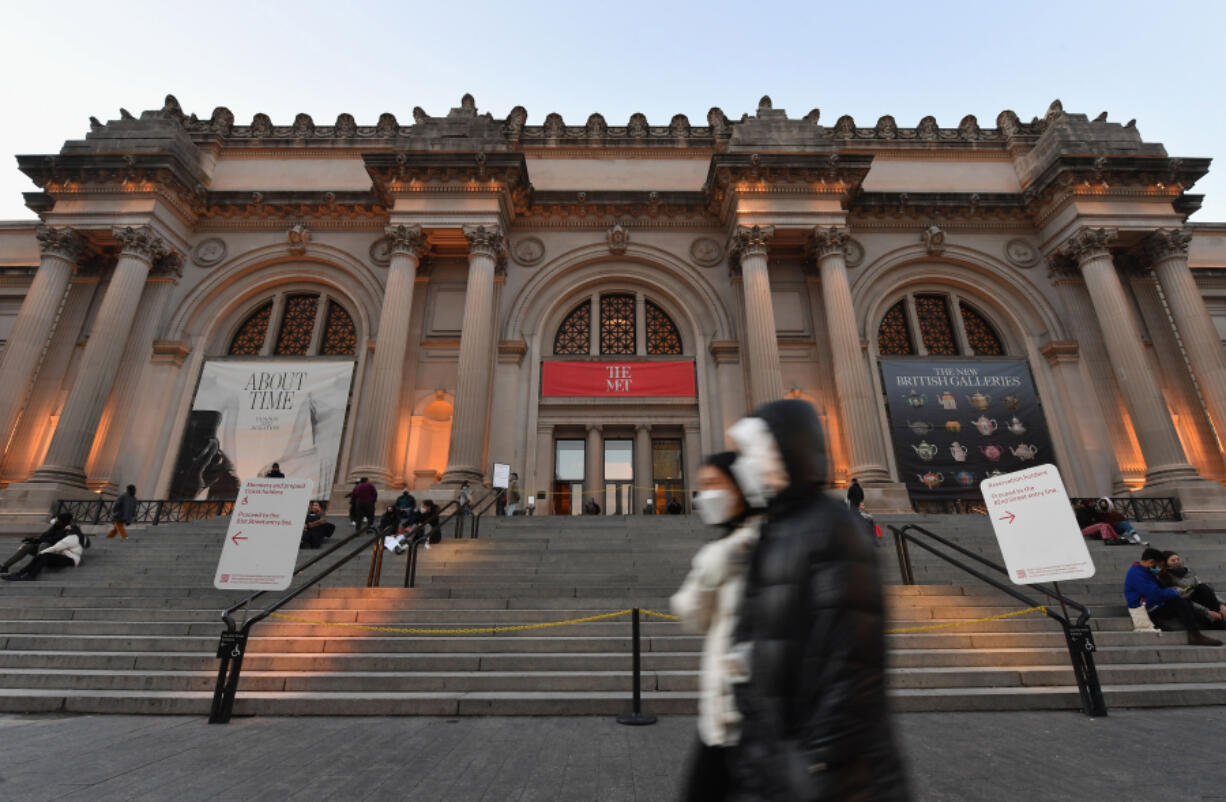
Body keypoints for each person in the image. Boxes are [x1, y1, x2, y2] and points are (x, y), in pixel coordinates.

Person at [725, 399, 908, 801]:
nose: (746, 466)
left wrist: (816, 760)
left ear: (788, 452)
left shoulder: (835, 528)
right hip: (781, 755)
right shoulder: (770, 532)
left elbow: (854, 664)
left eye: (756, 453)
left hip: (836, 774)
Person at [671, 453, 762, 802]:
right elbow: (691, 613)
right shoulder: (723, 550)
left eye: (713, 484)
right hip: (722, 715)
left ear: (740, 487)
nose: (704, 495)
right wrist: (714, 566)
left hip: (751, 716)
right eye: (702, 485)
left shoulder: (773, 542)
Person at [1124, 548, 1222, 645]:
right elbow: (1156, 594)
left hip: (1155, 604)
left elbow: (1161, 588)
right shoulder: (1138, 575)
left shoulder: (1145, 572)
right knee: (1178, 601)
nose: (1160, 568)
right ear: (1151, 562)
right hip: (1147, 608)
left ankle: (1213, 622)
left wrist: (1174, 590)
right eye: (1159, 566)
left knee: (1187, 600)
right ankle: (1195, 635)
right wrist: (1174, 591)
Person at [2, 523, 89, 581]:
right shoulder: (76, 537)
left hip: (71, 560)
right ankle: (19, 574)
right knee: (42, 555)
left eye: (67, 529)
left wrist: (41, 553)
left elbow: (56, 548)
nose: (65, 530)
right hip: (67, 558)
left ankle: (30, 575)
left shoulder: (72, 538)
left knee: (44, 555)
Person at [1160, 551, 1226, 625]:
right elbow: (1182, 599)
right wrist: (1207, 612)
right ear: (1165, 563)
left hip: (1198, 599)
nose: (1177, 562)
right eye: (1173, 560)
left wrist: (1221, 604)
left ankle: (1219, 615)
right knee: (1185, 602)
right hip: (1186, 603)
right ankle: (1216, 620)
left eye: (1178, 559)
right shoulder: (1165, 577)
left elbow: (1205, 589)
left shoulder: (1189, 572)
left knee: (1203, 588)